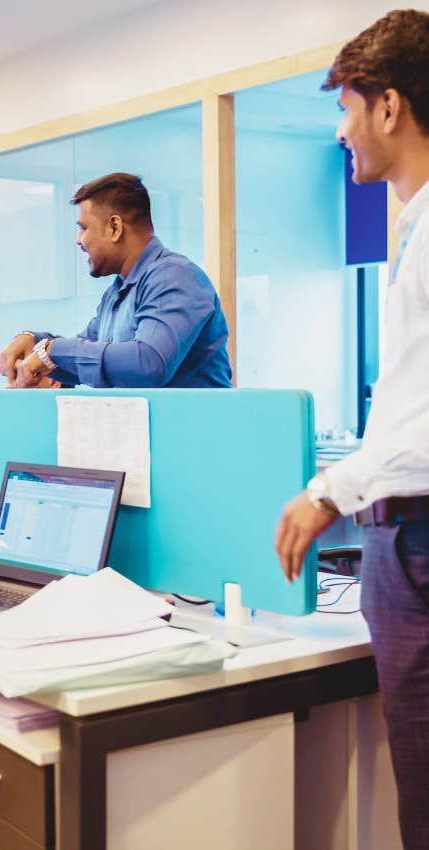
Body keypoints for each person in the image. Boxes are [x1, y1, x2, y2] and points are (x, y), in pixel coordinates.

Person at [274, 11, 429, 849]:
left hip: (418, 541)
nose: (340, 131)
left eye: (347, 107)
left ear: (391, 107)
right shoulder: (414, 229)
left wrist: (327, 490)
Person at [0, 172, 232, 389]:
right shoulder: (117, 293)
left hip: (194, 433)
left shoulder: (175, 276)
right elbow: (86, 355)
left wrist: (51, 351)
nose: (79, 240)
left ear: (114, 227)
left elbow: (149, 363)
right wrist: (33, 342)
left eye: (84, 228)